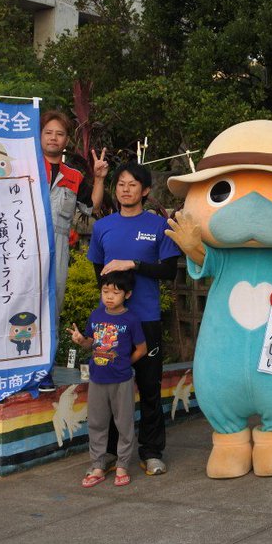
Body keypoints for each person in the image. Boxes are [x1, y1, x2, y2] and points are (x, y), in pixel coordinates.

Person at [0, 109, 108, 393]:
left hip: (57, 248)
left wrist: (100, 178)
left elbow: (92, 206)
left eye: (60, 134)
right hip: (21, 244)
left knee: (51, 306)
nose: (54, 138)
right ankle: (12, 366)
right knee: (15, 302)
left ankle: (44, 370)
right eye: (48, 132)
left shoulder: (74, 175)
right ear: (39, 136)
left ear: (67, 140)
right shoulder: (20, 167)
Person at [87, 161, 181, 475]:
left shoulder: (158, 226)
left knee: (149, 388)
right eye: (121, 184)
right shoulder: (103, 227)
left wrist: (134, 265)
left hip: (147, 319)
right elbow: (98, 272)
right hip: (112, 325)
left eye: (132, 184)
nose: (126, 189)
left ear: (145, 190)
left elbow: (168, 272)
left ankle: (152, 452)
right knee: (113, 389)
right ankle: (111, 453)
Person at [69, 269, 147, 488]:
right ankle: (97, 466)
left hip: (122, 380)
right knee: (96, 424)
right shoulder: (96, 316)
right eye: (105, 291)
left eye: (115, 292)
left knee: (124, 424)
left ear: (127, 295)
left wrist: (125, 363)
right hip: (97, 379)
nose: (109, 297)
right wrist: (80, 340)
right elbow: (90, 343)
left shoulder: (131, 319)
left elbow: (142, 348)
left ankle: (122, 465)